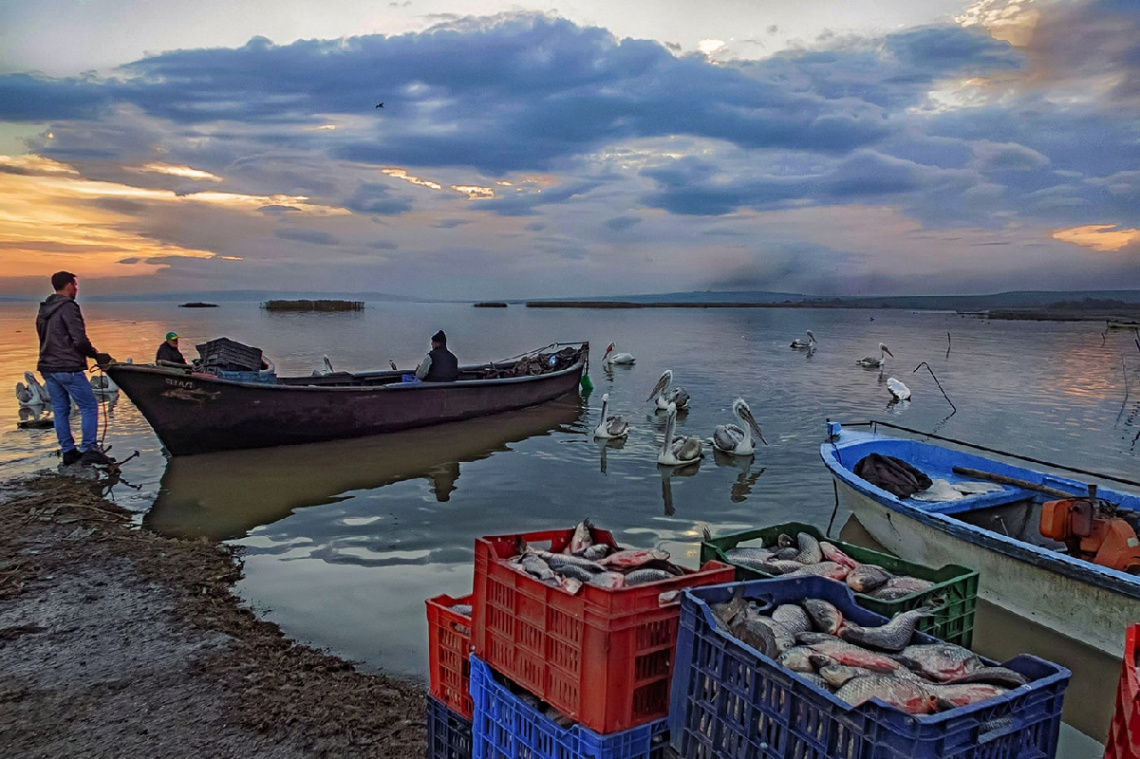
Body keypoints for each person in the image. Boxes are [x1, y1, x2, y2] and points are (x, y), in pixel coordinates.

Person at [36, 271, 115, 466]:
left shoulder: (44, 310)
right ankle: (89, 448)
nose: (76, 289)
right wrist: (95, 354)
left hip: (48, 366)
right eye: (75, 285)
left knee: (61, 409)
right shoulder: (68, 307)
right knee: (89, 406)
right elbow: (79, 339)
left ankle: (68, 452)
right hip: (67, 367)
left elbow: (44, 338)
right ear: (70, 285)